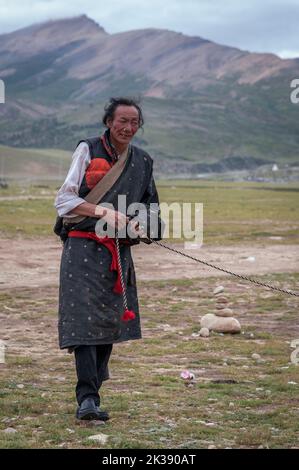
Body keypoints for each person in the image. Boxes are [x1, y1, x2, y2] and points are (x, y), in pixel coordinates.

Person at [54, 97, 163, 421]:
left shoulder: (143, 161)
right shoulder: (88, 149)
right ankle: (87, 397)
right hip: (82, 249)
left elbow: (152, 210)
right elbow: (64, 200)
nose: (128, 128)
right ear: (108, 122)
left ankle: (95, 387)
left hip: (118, 252)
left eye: (134, 122)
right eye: (122, 121)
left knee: (109, 323)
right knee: (83, 323)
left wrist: (143, 226)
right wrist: (103, 211)